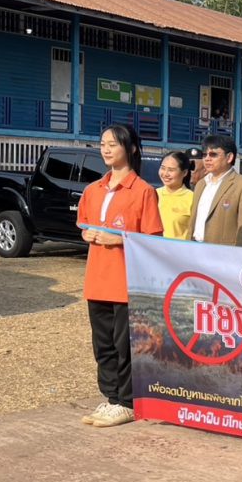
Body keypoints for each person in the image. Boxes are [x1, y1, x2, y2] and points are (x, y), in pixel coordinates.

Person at [77, 124, 163, 427]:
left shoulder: (143, 191)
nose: (106, 149)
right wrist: (87, 234)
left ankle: (127, 402)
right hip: (97, 279)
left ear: (131, 148)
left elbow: (153, 240)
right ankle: (111, 397)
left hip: (126, 281)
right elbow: (84, 224)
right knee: (102, 345)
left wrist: (120, 239)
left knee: (124, 345)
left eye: (113, 144)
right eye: (103, 144)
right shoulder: (93, 189)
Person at [186, 135, 242, 247]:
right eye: (205, 155)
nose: (207, 159)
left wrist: (238, 254)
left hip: (223, 253)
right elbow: (192, 223)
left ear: (229, 157)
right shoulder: (201, 184)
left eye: (213, 154)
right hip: (195, 248)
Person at [156, 150, 193, 240]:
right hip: (151, 247)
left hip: (178, 248)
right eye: (163, 168)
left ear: (184, 173)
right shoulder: (153, 194)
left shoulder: (192, 198)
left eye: (171, 170)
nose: (165, 174)